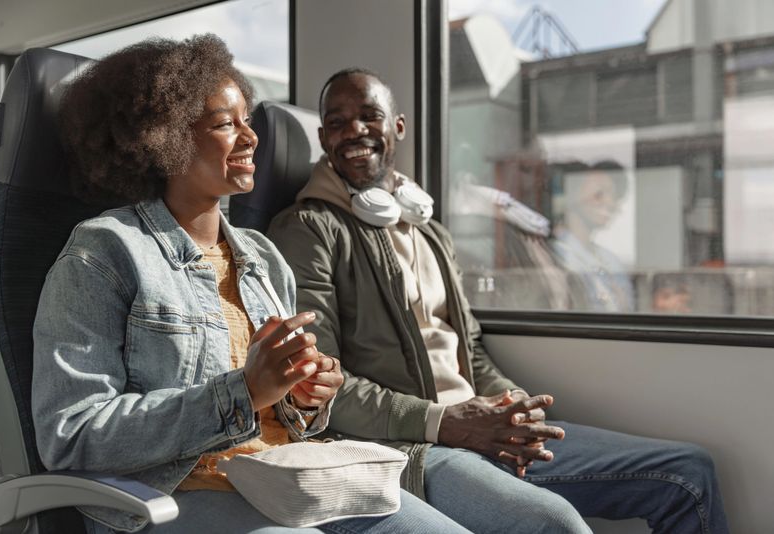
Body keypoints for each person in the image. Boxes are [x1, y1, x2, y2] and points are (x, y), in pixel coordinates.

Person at [31, 37, 470, 534]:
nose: (250, 138)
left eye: (247, 121)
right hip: (170, 495)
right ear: (162, 137)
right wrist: (242, 391)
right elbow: (72, 434)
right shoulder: (104, 253)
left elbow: (282, 412)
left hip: (287, 481)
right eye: (225, 124)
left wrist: (305, 395)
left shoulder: (263, 257)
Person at [267, 68, 730, 534]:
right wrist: (444, 421)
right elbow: (319, 386)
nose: (355, 131)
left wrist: (512, 407)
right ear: (324, 136)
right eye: (339, 121)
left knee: (688, 472)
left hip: (477, 425)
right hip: (411, 443)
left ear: (398, 127)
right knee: (559, 526)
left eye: (370, 116)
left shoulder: (429, 231)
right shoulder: (306, 231)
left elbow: (471, 348)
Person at [551, 160, 635, 312]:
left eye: (614, 196)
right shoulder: (555, 255)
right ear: (571, 196)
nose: (610, 203)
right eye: (599, 194)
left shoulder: (611, 261)